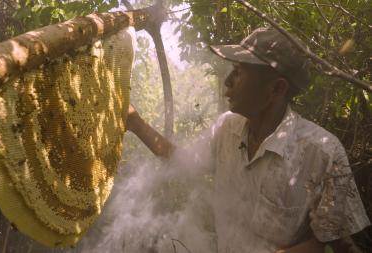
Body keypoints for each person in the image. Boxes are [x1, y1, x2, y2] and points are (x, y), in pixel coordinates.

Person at [125, 27, 370, 253]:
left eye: (239, 72)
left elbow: (334, 242)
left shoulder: (323, 152)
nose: (228, 81)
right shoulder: (226, 128)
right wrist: (135, 123)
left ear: (276, 89)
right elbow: (183, 162)